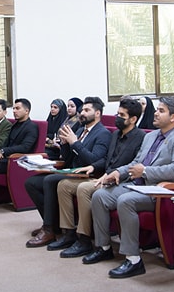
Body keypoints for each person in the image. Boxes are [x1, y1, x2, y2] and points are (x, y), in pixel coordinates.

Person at [85, 97, 174, 278]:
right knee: (100, 196)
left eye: (161, 111)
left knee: (125, 201)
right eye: (157, 109)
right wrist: (118, 172)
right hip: (137, 185)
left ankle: (133, 259)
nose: (155, 113)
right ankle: (103, 247)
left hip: (160, 190)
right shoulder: (150, 136)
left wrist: (145, 171)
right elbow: (136, 162)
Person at [53, 97, 145, 257]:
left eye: (122, 115)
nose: (117, 118)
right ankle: (68, 233)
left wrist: (109, 173)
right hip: (103, 175)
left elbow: (133, 164)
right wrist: (94, 166)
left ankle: (84, 239)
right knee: (64, 185)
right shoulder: (116, 134)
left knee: (83, 189)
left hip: (120, 180)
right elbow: (106, 158)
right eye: (117, 114)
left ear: (133, 119)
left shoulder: (140, 137)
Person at [25, 97, 110, 247]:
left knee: (49, 181)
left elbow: (94, 160)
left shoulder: (103, 133)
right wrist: (65, 144)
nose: (82, 113)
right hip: (71, 170)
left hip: (86, 174)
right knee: (31, 182)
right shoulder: (80, 130)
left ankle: (49, 229)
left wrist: (74, 143)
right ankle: (53, 222)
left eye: (87, 110)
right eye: (82, 110)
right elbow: (67, 157)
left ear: (97, 113)